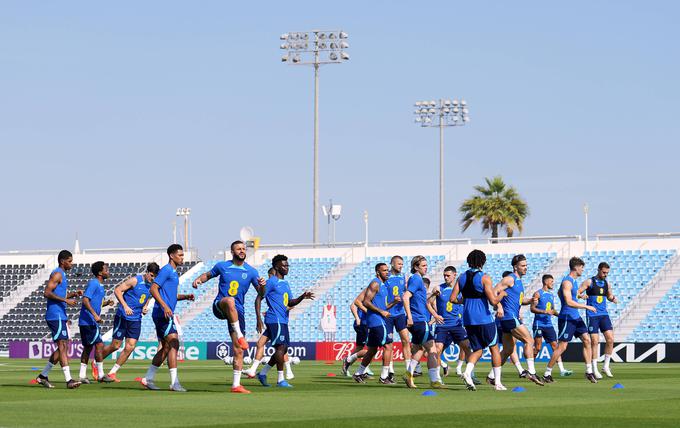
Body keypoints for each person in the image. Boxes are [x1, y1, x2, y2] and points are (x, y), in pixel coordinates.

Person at [192, 240, 265, 393]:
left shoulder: (251, 271)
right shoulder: (222, 266)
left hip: (238, 313)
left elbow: (261, 294)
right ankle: (239, 335)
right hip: (221, 305)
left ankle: (236, 385)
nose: (242, 251)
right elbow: (208, 274)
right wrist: (199, 279)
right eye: (238, 249)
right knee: (230, 300)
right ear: (232, 252)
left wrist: (263, 285)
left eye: (244, 249)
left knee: (239, 350)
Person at [451, 249, 507, 391]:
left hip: (468, 319)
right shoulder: (484, 278)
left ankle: (467, 372)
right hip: (484, 318)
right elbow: (493, 301)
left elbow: (452, 299)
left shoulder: (461, 277)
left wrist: (466, 301)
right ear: (483, 262)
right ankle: (498, 383)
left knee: (477, 350)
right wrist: (501, 294)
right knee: (494, 348)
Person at [141, 244, 195, 392]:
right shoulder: (166, 270)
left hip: (164, 313)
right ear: (172, 255)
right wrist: (165, 306)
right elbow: (153, 288)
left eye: (183, 255)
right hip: (163, 313)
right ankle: (174, 382)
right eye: (180, 255)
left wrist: (185, 297)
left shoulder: (173, 273)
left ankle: (148, 378)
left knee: (165, 348)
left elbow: (169, 295)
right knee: (174, 343)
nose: (182, 257)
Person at [256, 254, 314, 388]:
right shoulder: (272, 281)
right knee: (281, 348)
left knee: (283, 348)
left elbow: (290, 302)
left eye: (287, 265)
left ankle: (263, 373)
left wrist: (302, 297)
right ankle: (280, 379)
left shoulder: (285, 283)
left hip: (283, 320)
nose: (287, 267)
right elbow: (259, 297)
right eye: (284, 265)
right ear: (276, 266)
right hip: (275, 319)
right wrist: (258, 318)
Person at [488, 255, 544, 386]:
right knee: (529, 340)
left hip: (509, 318)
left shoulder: (518, 282)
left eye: (526, 265)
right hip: (509, 317)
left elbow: (518, 301)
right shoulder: (509, 279)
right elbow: (493, 292)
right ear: (515, 267)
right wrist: (499, 306)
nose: (525, 268)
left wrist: (529, 300)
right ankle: (531, 371)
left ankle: (491, 376)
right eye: (523, 265)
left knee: (508, 350)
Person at [98, 262, 159, 382]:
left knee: (130, 346)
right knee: (115, 345)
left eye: (155, 277)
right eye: (151, 275)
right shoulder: (135, 280)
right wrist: (125, 305)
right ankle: (96, 362)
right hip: (123, 316)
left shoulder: (152, 286)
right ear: (147, 272)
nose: (153, 278)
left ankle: (112, 373)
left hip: (136, 319)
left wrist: (145, 306)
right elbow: (117, 290)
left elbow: (148, 296)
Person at [543, 257, 598, 383]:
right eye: (582, 267)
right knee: (562, 347)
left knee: (587, 340)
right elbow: (567, 301)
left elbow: (560, 293)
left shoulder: (573, 281)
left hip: (575, 317)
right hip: (567, 317)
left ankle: (589, 371)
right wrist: (586, 306)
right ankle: (547, 373)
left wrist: (579, 295)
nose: (583, 270)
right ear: (576, 267)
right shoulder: (567, 282)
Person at [35, 250, 83, 389]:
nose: (71, 264)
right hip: (55, 315)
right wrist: (66, 300)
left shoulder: (62, 275)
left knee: (63, 346)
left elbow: (58, 293)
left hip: (60, 315)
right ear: (62, 261)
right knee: (62, 345)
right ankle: (69, 380)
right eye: (69, 261)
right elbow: (47, 292)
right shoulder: (57, 274)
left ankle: (43, 376)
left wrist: (72, 294)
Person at [245, 267, 295, 380]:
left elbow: (289, 305)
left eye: (270, 276)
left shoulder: (277, 283)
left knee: (281, 347)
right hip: (273, 320)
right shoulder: (279, 285)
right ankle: (255, 370)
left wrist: (279, 310)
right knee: (260, 344)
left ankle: (286, 373)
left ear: (273, 274)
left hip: (278, 320)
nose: (269, 279)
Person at [353, 263, 398, 385]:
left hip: (379, 320)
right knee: (388, 346)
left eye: (387, 270)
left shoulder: (383, 285)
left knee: (372, 350)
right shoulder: (375, 283)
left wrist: (394, 302)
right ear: (378, 272)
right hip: (376, 321)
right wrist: (381, 312)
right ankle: (384, 377)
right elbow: (366, 302)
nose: (387, 272)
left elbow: (383, 307)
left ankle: (358, 373)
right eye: (384, 271)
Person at [430, 266, 475, 385]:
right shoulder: (439, 288)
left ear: (455, 275)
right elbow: (428, 303)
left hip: (456, 325)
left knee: (467, 347)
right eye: (444, 275)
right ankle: (437, 378)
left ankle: (470, 375)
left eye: (448, 275)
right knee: (437, 350)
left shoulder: (461, 289)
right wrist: (435, 315)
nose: (445, 277)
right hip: (442, 326)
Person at [403, 256, 441, 389]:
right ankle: (433, 380)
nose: (426, 267)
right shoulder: (416, 279)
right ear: (416, 267)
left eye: (426, 265)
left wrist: (433, 296)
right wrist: (409, 317)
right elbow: (405, 296)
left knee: (422, 348)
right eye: (423, 265)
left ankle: (412, 374)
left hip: (419, 319)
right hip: (418, 320)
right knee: (430, 348)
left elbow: (421, 300)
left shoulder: (417, 280)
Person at [578, 262, 618, 378]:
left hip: (604, 314)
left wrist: (613, 298)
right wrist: (581, 296)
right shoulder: (589, 282)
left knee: (610, 339)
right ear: (599, 270)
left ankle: (606, 366)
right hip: (592, 315)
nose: (605, 275)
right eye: (604, 272)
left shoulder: (607, 284)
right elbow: (577, 292)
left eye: (607, 273)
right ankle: (594, 369)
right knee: (595, 341)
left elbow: (609, 296)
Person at [77, 261, 115, 384]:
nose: (108, 271)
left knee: (95, 346)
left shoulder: (100, 285)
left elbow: (95, 302)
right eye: (106, 269)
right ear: (100, 272)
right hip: (87, 321)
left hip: (92, 322)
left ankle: (99, 375)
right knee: (92, 347)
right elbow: (85, 300)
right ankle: (87, 376)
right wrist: (94, 315)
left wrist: (106, 303)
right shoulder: (94, 283)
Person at [531, 274, 573, 377]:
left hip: (548, 325)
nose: (553, 283)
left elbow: (552, 310)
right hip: (539, 324)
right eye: (551, 281)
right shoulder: (538, 294)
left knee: (555, 347)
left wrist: (560, 315)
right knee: (537, 348)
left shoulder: (551, 295)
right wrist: (544, 312)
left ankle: (562, 370)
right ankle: (530, 369)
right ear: (546, 282)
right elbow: (532, 309)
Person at [385, 255, 410, 379]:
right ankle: (390, 371)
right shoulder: (386, 277)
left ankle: (408, 370)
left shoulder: (403, 277)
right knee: (389, 344)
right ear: (392, 264)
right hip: (388, 314)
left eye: (402, 264)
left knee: (406, 339)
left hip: (400, 313)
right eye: (399, 264)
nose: (401, 266)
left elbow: (407, 294)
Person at [342, 288, 371, 376]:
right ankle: (362, 368)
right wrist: (357, 318)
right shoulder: (368, 292)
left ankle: (348, 363)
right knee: (370, 349)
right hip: (363, 324)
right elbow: (353, 305)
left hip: (369, 324)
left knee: (360, 348)